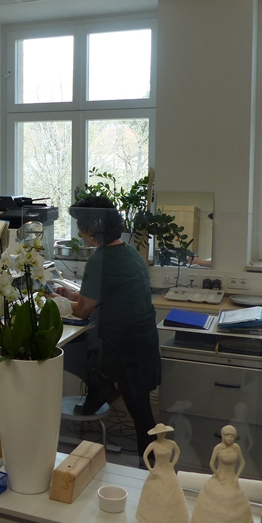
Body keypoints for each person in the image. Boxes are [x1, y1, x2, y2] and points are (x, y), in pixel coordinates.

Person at [54, 195, 161, 459]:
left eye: (81, 228)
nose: (80, 233)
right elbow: (98, 297)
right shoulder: (128, 252)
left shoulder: (100, 260)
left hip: (123, 350)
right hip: (143, 344)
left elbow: (83, 310)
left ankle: (101, 388)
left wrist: (55, 302)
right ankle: (100, 389)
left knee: (64, 352)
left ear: (92, 230)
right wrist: (70, 296)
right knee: (143, 415)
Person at [189, 424, 254, 523]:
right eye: (227, 436)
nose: (229, 439)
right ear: (223, 436)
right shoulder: (218, 448)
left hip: (232, 479)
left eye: (232, 436)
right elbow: (211, 464)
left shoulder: (236, 448)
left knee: (234, 502)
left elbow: (242, 462)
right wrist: (219, 476)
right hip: (220, 478)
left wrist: (237, 476)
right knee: (216, 500)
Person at [135, 424, 189, 523]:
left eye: (162, 432)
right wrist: (150, 469)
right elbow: (145, 455)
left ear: (165, 432)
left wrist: (172, 463)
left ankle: (172, 518)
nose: (161, 434)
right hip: (157, 470)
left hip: (168, 470)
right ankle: (152, 517)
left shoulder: (171, 443)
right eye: (159, 433)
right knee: (155, 491)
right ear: (156, 434)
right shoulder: (153, 445)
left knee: (171, 491)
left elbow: (177, 452)